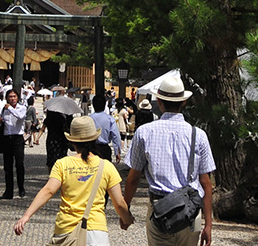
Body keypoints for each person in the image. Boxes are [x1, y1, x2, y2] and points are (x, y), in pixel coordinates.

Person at [13, 116, 135, 245]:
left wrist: (26, 216)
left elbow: (48, 191)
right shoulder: (106, 166)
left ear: (72, 142)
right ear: (94, 139)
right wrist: (126, 219)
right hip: (96, 231)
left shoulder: (62, 164)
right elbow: (119, 203)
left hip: (67, 229)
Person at [123, 76, 215, 246]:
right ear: (184, 102)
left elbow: (133, 177)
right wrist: (208, 224)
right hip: (190, 212)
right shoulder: (198, 135)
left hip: (160, 209)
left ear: (159, 100)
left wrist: (125, 210)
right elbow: (206, 183)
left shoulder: (144, 133)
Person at [0, 89, 27, 199]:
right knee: (7, 166)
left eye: (14, 96)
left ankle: (21, 188)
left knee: (19, 164)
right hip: (7, 138)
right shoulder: (4, 109)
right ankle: (8, 191)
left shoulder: (22, 108)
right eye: (10, 96)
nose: (12, 98)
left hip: (18, 138)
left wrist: (10, 108)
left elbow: (20, 116)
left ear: (17, 97)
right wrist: (0, 121)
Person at [89, 94, 121, 163]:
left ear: (93, 105)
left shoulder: (88, 119)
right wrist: (117, 151)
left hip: (91, 149)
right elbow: (115, 136)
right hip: (104, 149)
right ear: (104, 106)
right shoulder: (110, 119)